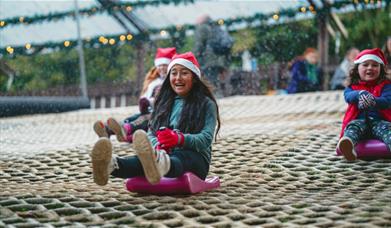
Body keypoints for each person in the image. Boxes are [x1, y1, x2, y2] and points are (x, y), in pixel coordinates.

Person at [90, 52, 221, 185]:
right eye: (174, 73)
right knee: (142, 160)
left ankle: (161, 163)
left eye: (184, 73)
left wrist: (180, 139)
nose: (178, 78)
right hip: (164, 153)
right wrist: (158, 144)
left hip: (195, 160)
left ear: (194, 77)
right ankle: (110, 165)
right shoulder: (164, 103)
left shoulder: (206, 104)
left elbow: (206, 139)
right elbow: (151, 132)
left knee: (181, 157)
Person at [93, 47, 176, 143]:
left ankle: (126, 130)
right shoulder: (154, 82)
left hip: (160, 115)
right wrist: (145, 103)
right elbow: (145, 98)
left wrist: (151, 102)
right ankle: (108, 130)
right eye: (159, 65)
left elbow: (164, 100)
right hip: (149, 111)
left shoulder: (171, 82)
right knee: (133, 118)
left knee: (144, 120)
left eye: (165, 65)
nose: (162, 68)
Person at [337, 48, 391, 161]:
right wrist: (360, 94)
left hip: (379, 121)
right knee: (353, 127)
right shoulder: (352, 87)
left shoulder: (386, 86)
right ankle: (348, 144)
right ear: (357, 69)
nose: (370, 68)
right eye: (365, 65)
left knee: (388, 129)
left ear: (381, 69)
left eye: (375, 65)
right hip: (360, 120)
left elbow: (387, 101)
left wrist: (373, 101)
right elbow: (348, 97)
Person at [193, 14, 232, 96]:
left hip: (208, 61)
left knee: (209, 82)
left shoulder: (203, 28)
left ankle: (214, 99)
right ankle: (217, 96)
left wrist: (193, 57)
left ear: (202, 20)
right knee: (215, 81)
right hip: (218, 60)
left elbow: (199, 45)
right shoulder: (216, 27)